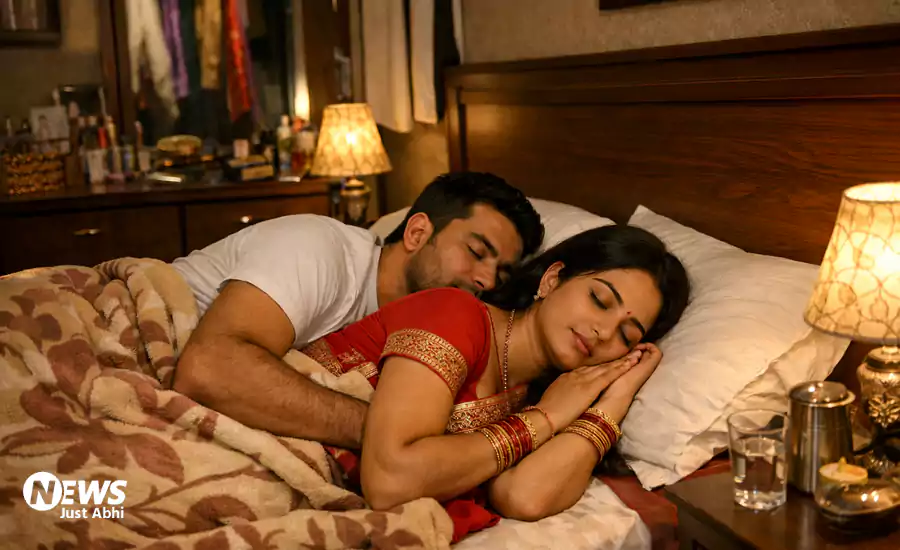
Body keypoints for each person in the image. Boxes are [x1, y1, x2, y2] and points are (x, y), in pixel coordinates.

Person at [299, 224, 690, 541]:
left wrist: (616, 398)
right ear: (552, 279)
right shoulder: (456, 313)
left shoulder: (550, 394)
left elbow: (524, 497)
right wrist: (545, 418)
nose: (604, 331)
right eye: (600, 300)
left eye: (626, 335)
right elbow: (390, 482)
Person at [172, 172, 543, 448]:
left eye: (501, 274)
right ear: (417, 233)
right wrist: (392, 436)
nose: (487, 281)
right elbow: (208, 369)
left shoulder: (421, 337)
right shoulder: (317, 248)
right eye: (476, 252)